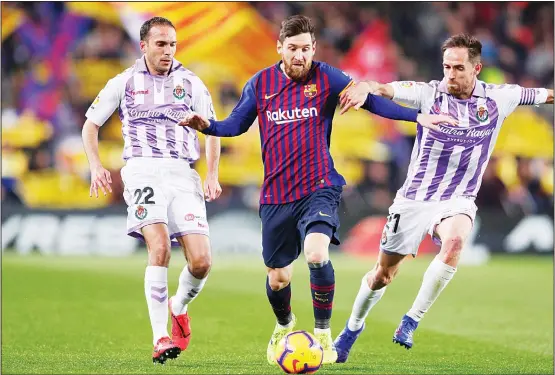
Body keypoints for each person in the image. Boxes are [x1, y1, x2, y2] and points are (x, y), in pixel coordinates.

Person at [178, 15, 456, 365]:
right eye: (292, 48)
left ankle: (324, 334)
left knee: (315, 253)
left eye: (306, 49)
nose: (300, 55)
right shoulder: (260, 83)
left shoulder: (326, 77)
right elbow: (235, 125)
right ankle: (285, 324)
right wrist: (209, 126)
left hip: (319, 186)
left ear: (314, 49)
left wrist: (416, 118)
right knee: (278, 278)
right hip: (277, 195)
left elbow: (371, 101)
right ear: (280, 48)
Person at [333, 33, 554, 361]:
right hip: (414, 198)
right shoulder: (428, 94)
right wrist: (367, 86)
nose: (450, 74)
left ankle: (410, 320)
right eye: (446, 67)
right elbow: (386, 88)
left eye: (458, 68)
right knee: (382, 275)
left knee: (454, 243)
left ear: (476, 69)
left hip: (458, 198)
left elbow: (546, 95)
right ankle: (352, 328)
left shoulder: (500, 98)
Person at [82, 17, 223, 364]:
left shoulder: (191, 83)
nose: (168, 51)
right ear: (143, 46)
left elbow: (213, 130)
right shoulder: (124, 82)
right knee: (159, 247)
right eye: (161, 44)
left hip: (182, 173)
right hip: (142, 171)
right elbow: (90, 125)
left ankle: (179, 306)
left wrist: (212, 174)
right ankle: (160, 337)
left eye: (172, 44)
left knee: (202, 262)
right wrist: (96, 165)